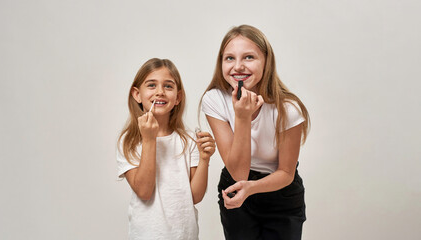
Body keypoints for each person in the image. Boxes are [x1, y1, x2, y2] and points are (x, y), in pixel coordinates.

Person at [200, 25, 310, 240]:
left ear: (266, 62)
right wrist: (242, 117)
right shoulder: (214, 100)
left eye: (249, 57)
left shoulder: (288, 108)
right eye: (229, 58)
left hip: (281, 191)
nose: (238, 67)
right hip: (236, 183)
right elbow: (239, 174)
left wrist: (252, 188)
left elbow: (286, 173)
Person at [117, 58, 216, 240]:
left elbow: (194, 197)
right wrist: (149, 139)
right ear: (137, 94)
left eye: (168, 86)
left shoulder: (188, 140)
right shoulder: (129, 141)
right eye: (152, 85)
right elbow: (144, 192)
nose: (160, 92)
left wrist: (204, 159)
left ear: (178, 97)